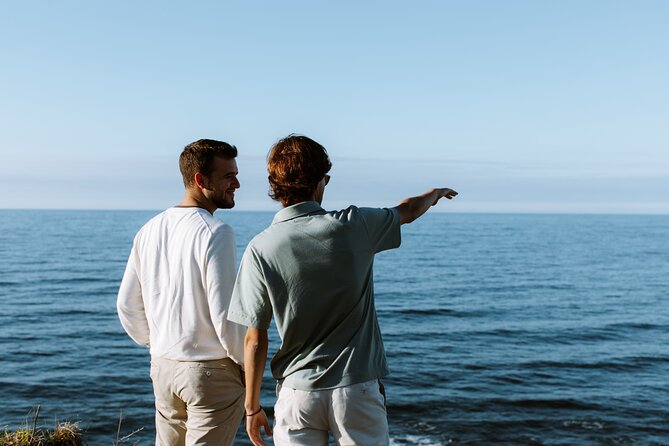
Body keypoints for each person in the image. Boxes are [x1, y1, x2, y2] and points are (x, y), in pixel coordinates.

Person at [227, 134, 458, 446]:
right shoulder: (356, 225)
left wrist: (252, 407)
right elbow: (409, 210)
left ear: (274, 184)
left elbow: (255, 339)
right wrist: (435, 192)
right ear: (321, 181)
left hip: (297, 394)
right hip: (357, 388)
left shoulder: (260, 248)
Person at [117, 139, 247, 446]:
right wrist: (244, 363)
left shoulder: (149, 229)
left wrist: (158, 343)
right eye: (229, 176)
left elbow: (126, 305)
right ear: (201, 180)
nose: (237, 183)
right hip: (210, 372)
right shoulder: (216, 232)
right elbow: (225, 314)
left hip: (163, 366)